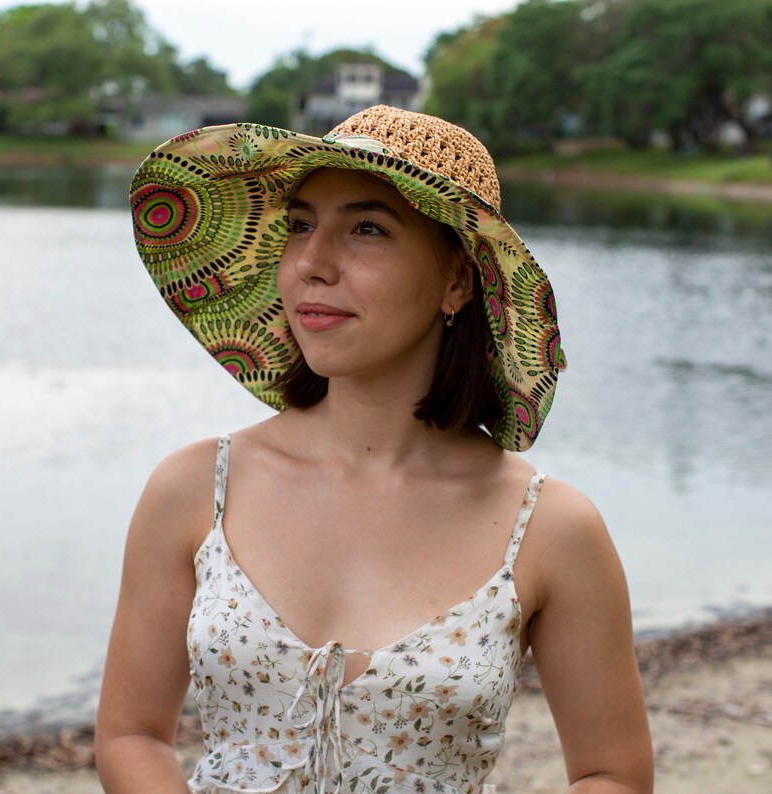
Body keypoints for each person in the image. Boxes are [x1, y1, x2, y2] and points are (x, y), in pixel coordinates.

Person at [96, 105, 653, 793]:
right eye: (300, 225)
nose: (311, 263)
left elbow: (613, 774)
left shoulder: (548, 528)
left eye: (367, 229)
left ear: (456, 280)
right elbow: (132, 734)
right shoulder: (195, 489)